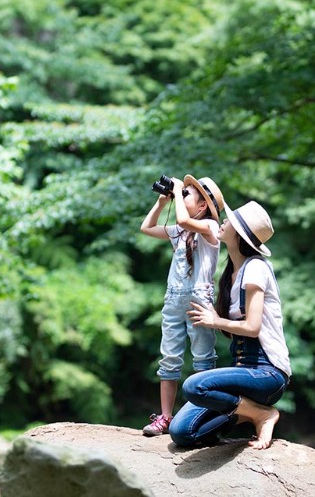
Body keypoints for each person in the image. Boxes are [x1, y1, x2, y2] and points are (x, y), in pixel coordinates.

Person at [168, 200, 291, 450]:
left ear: (240, 235)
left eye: (230, 221)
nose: (223, 221)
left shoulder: (256, 268)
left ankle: (262, 414)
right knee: (182, 432)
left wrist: (215, 320)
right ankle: (245, 411)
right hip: (243, 372)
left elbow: (252, 327)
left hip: (266, 373)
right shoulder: (231, 273)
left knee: (194, 385)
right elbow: (230, 329)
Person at [139, 175, 225, 436]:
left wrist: (177, 190)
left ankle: (203, 414)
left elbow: (183, 220)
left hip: (198, 300)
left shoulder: (210, 226)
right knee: (169, 358)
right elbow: (147, 227)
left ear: (202, 206)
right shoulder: (180, 231)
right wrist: (162, 202)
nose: (181, 195)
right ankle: (165, 417)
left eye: (187, 194)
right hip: (174, 299)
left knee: (203, 358)